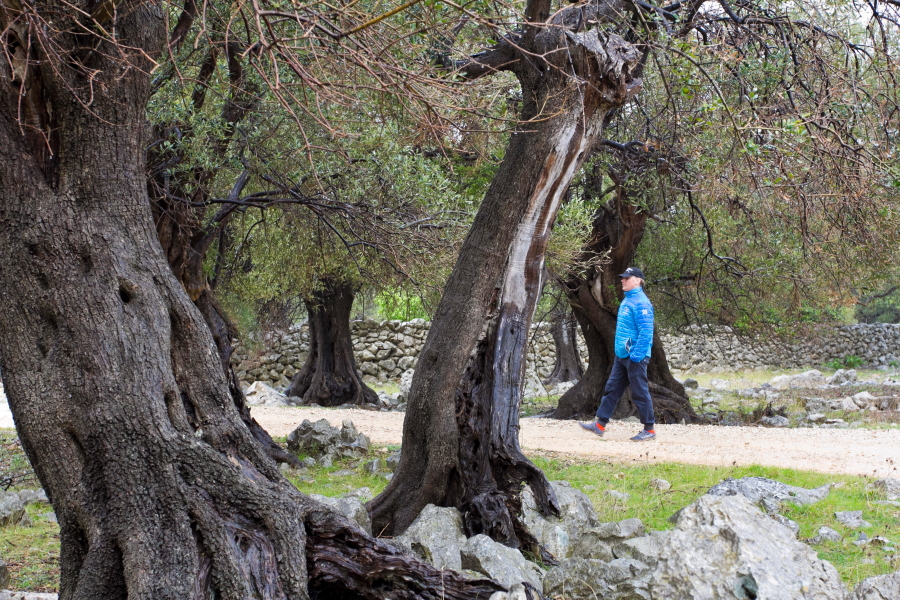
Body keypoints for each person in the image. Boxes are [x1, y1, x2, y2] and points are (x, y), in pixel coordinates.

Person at [579, 267, 657, 441]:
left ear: (638, 280)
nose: (623, 280)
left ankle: (649, 429)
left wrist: (636, 355)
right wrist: (622, 352)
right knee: (612, 389)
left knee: (639, 392)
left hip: (635, 356)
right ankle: (599, 425)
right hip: (622, 355)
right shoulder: (628, 300)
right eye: (623, 277)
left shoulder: (641, 303)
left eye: (627, 278)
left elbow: (646, 332)